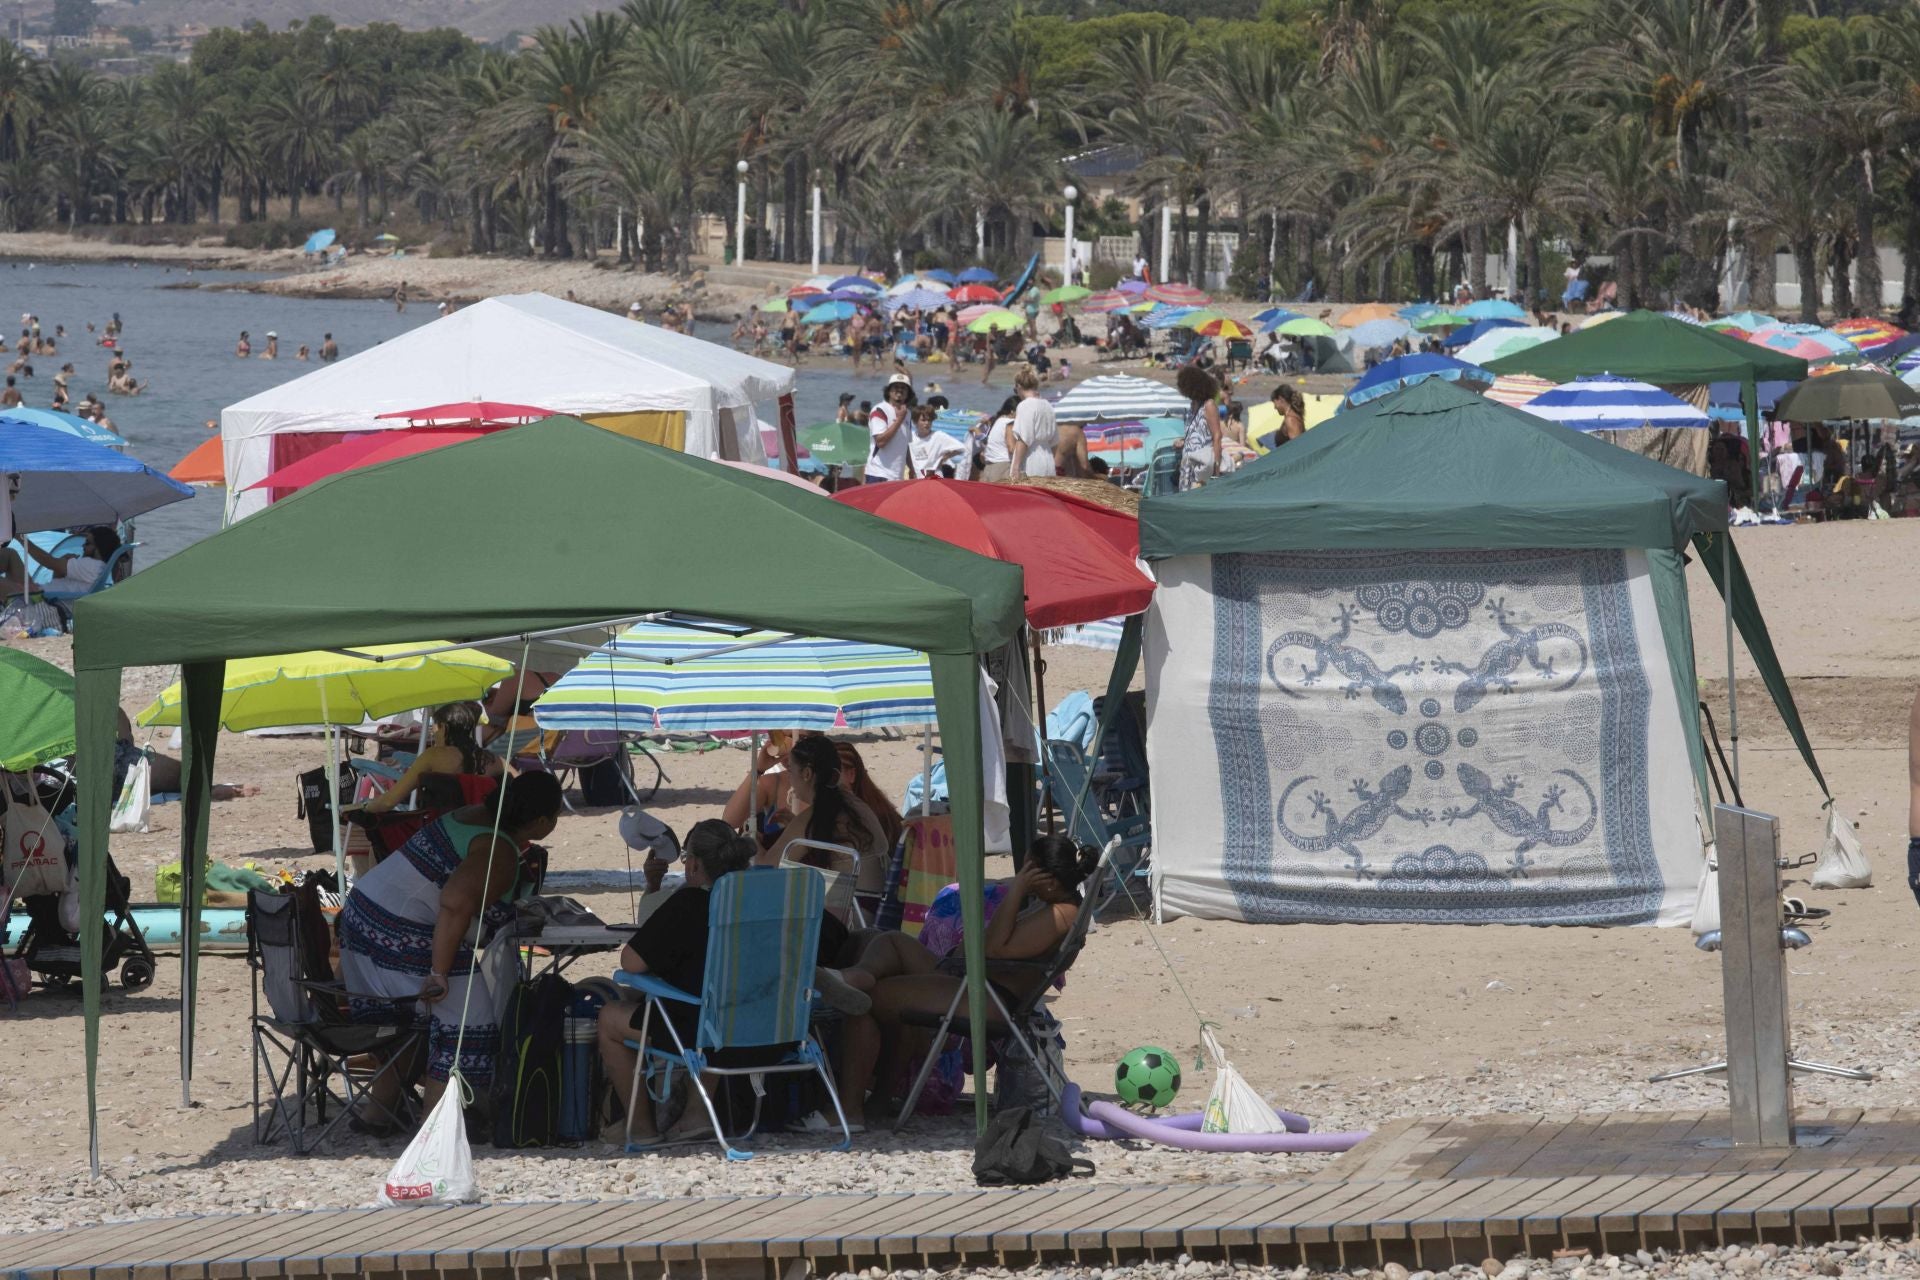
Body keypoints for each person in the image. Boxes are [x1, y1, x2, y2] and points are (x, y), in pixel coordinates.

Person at [337, 771, 564, 1130]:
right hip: (397, 933)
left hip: (364, 918)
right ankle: (437, 1127)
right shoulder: (498, 849)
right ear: (541, 821)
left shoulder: (470, 815)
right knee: (469, 1021)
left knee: (413, 1018)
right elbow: (455, 903)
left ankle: (379, 1113)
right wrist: (439, 972)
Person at [831, 835, 1099, 1127]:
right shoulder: (1058, 903)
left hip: (987, 997)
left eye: (1026, 870)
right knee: (890, 942)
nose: (1021, 875)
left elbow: (994, 949)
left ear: (1042, 877)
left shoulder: (1060, 914)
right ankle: (860, 975)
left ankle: (848, 1109)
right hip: (972, 979)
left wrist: (1017, 891)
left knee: (867, 1001)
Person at [594, 821, 757, 1146]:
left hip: (701, 1031)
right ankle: (695, 1115)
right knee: (721, 1003)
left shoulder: (690, 904)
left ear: (694, 864)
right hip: (763, 1027)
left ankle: (641, 1127)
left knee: (610, 1016)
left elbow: (631, 963)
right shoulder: (760, 905)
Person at [0, 524, 120, 597]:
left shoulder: (92, 566)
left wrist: (22, 539)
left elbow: (47, 561)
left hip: (36, 598)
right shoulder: (97, 569)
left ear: (99, 547)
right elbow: (57, 582)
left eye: (87, 543)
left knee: (10, 556)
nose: (83, 546)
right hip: (38, 591)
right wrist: (61, 566)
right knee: (10, 554)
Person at [1176, 364, 1222, 490]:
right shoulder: (1192, 405)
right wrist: (1183, 441)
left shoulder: (1209, 405)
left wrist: (1216, 468)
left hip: (1202, 464)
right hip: (1187, 464)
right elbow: (1196, 432)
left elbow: (1217, 435)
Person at [1007, 364, 1058, 477]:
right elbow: (1055, 442)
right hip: (1048, 458)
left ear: (1019, 387)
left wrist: (1015, 467)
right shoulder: (1048, 405)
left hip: (1031, 459)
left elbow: (1024, 439)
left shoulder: (1025, 405)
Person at [866, 372, 914, 483]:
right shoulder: (879, 410)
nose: (899, 390)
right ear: (889, 391)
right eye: (896, 387)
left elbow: (905, 445)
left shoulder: (908, 414)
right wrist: (899, 420)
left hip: (897, 475)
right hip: (878, 473)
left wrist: (912, 468)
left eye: (903, 388)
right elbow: (881, 442)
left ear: (908, 393)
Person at [908, 404, 968, 479]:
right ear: (915, 422)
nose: (927, 423)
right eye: (923, 420)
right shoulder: (910, 437)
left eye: (929, 420)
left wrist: (944, 458)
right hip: (917, 478)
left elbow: (962, 448)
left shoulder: (938, 436)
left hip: (935, 477)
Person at [1707, 418, 1754, 509]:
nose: (1719, 453)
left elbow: (1740, 485)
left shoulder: (1732, 465)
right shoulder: (1709, 466)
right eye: (1717, 450)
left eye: (1721, 450)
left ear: (1726, 452)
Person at [977, 395, 1018, 483]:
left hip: (989, 466)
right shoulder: (1009, 422)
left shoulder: (998, 420)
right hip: (1003, 466)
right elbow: (1011, 448)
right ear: (1012, 411)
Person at [1262, 383, 1306, 450]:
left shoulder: (1290, 419)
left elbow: (1297, 448)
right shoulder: (1291, 416)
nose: (1274, 407)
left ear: (1280, 399)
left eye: (1274, 403)